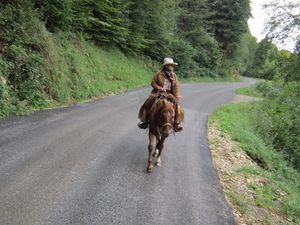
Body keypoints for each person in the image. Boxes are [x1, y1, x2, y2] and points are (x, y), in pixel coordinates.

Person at [138, 58, 184, 132]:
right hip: (158, 93)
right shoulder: (158, 74)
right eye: (170, 65)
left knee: (178, 107)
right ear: (166, 66)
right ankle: (145, 121)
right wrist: (159, 88)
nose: (172, 67)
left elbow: (176, 86)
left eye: (172, 65)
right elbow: (153, 83)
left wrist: (177, 95)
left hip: (169, 94)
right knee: (148, 102)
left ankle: (176, 124)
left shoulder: (174, 75)